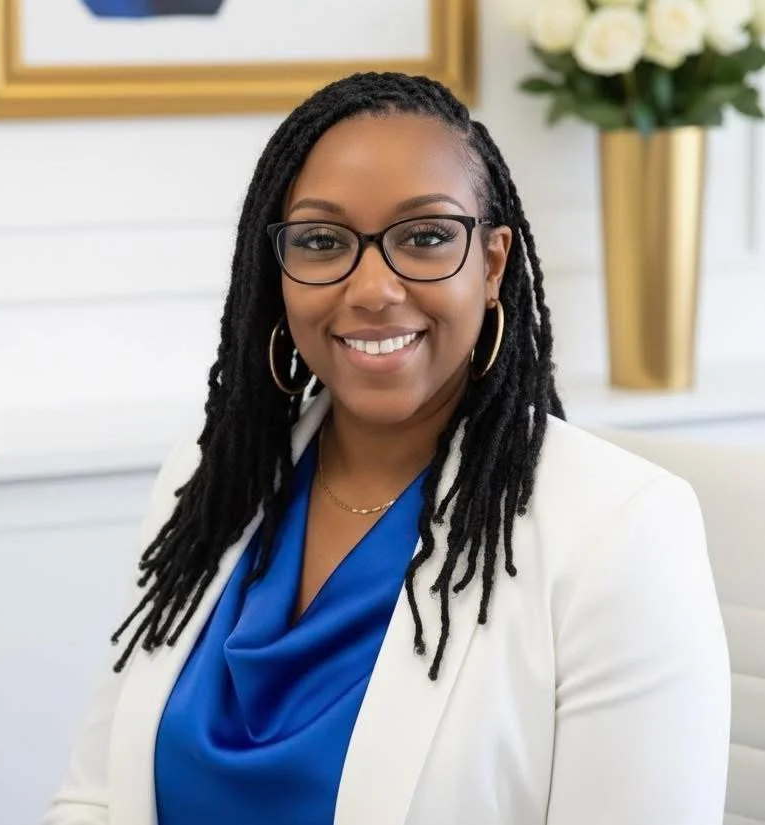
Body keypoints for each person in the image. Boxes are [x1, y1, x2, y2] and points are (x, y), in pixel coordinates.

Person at [43, 72, 730, 825]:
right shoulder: (209, 479)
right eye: (321, 240)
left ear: (492, 264)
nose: (372, 288)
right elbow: (96, 795)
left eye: (426, 236)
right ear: (279, 273)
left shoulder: (618, 528)